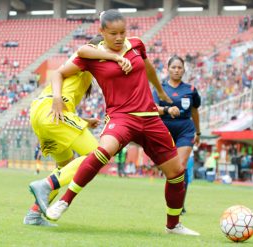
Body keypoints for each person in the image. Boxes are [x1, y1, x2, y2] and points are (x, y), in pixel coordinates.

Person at [45, 9, 199, 236]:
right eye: (113, 33)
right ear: (102, 32)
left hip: (149, 117)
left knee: (176, 172)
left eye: (122, 32)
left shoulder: (136, 45)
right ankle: (64, 201)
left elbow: (148, 68)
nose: (119, 37)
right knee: (102, 151)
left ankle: (173, 225)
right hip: (121, 117)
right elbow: (57, 73)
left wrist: (159, 90)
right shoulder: (91, 55)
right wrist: (57, 98)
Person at [23, 35, 132, 226]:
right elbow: (83, 50)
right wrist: (114, 57)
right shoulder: (88, 54)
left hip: (43, 114)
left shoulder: (86, 69)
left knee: (64, 170)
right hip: (52, 110)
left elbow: (64, 101)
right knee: (96, 155)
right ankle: (45, 184)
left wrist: (84, 120)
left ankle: (33, 215)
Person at [152, 55, 201, 215]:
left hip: (185, 130)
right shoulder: (160, 89)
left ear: (184, 70)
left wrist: (198, 132)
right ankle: (173, 200)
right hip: (164, 130)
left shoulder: (191, 90)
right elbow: (152, 108)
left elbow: (194, 111)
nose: (176, 70)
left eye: (179, 67)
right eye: (173, 67)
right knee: (170, 170)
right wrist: (166, 110)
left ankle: (179, 204)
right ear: (168, 69)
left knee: (181, 167)